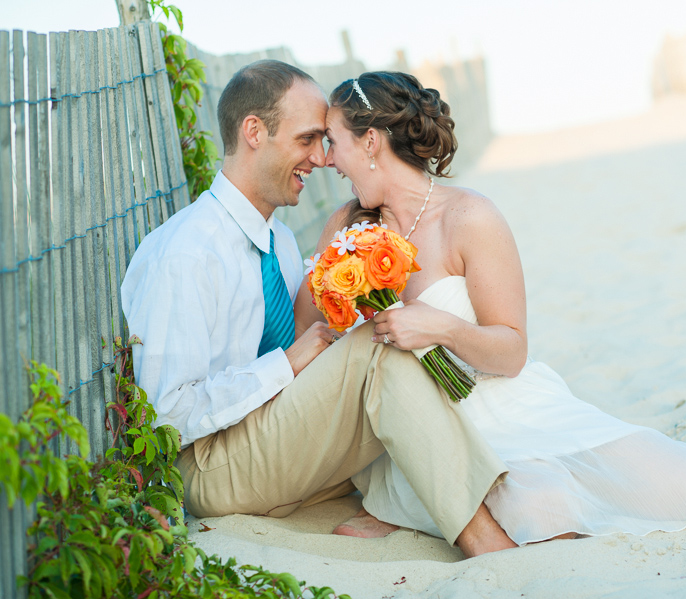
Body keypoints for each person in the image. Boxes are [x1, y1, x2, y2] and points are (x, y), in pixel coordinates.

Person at [294, 71, 686, 545]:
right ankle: (422, 503)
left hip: (509, 400)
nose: (325, 160)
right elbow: (309, 330)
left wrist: (441, 328)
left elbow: (512, 352)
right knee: (541, 511)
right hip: (421, 428)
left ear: (372, 142)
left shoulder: (470, 217)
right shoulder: (345, 227)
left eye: (333, 142)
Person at [120, 60, 518, 558]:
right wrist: (286, 365)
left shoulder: (279, 240)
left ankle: (455, 513)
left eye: (325, 141)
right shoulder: (188, 252)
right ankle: (486, 543)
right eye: (308, 139)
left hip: (271, 442)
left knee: (376, 345)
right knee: (378, 346)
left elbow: (314, 352)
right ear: (254, 132)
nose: (320, 158)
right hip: (208, 466)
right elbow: (166, 416)